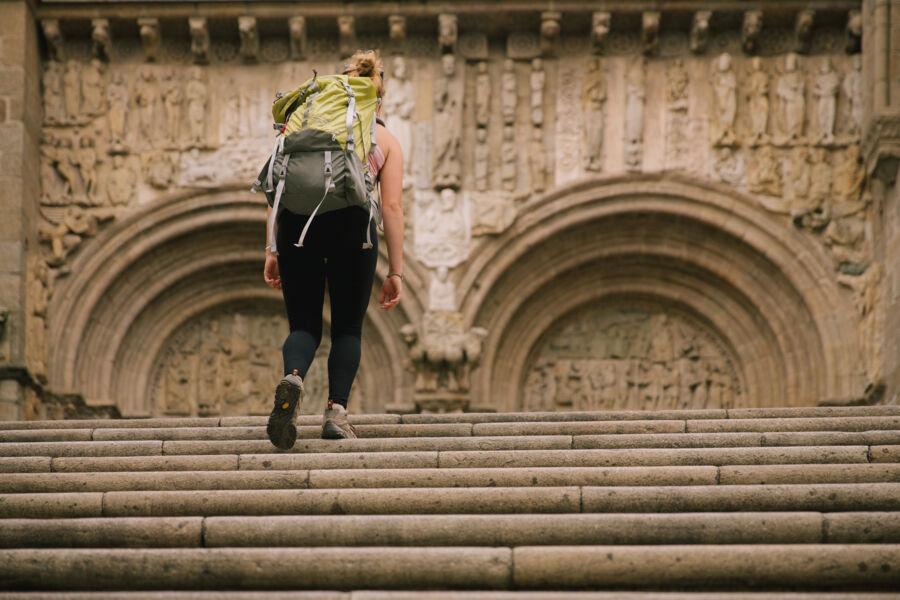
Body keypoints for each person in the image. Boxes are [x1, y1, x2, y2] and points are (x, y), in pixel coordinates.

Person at [263, 50, 404, 448]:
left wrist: (272, 248)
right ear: (377, 99)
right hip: (352, 227)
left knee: (303, 325)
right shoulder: (384, 139)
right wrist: (396, 271)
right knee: (346, 327)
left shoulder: (302, 123)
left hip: (296, 225)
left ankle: (293, 378)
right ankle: (336, 412)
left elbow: (277, 189)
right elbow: (392, 207)